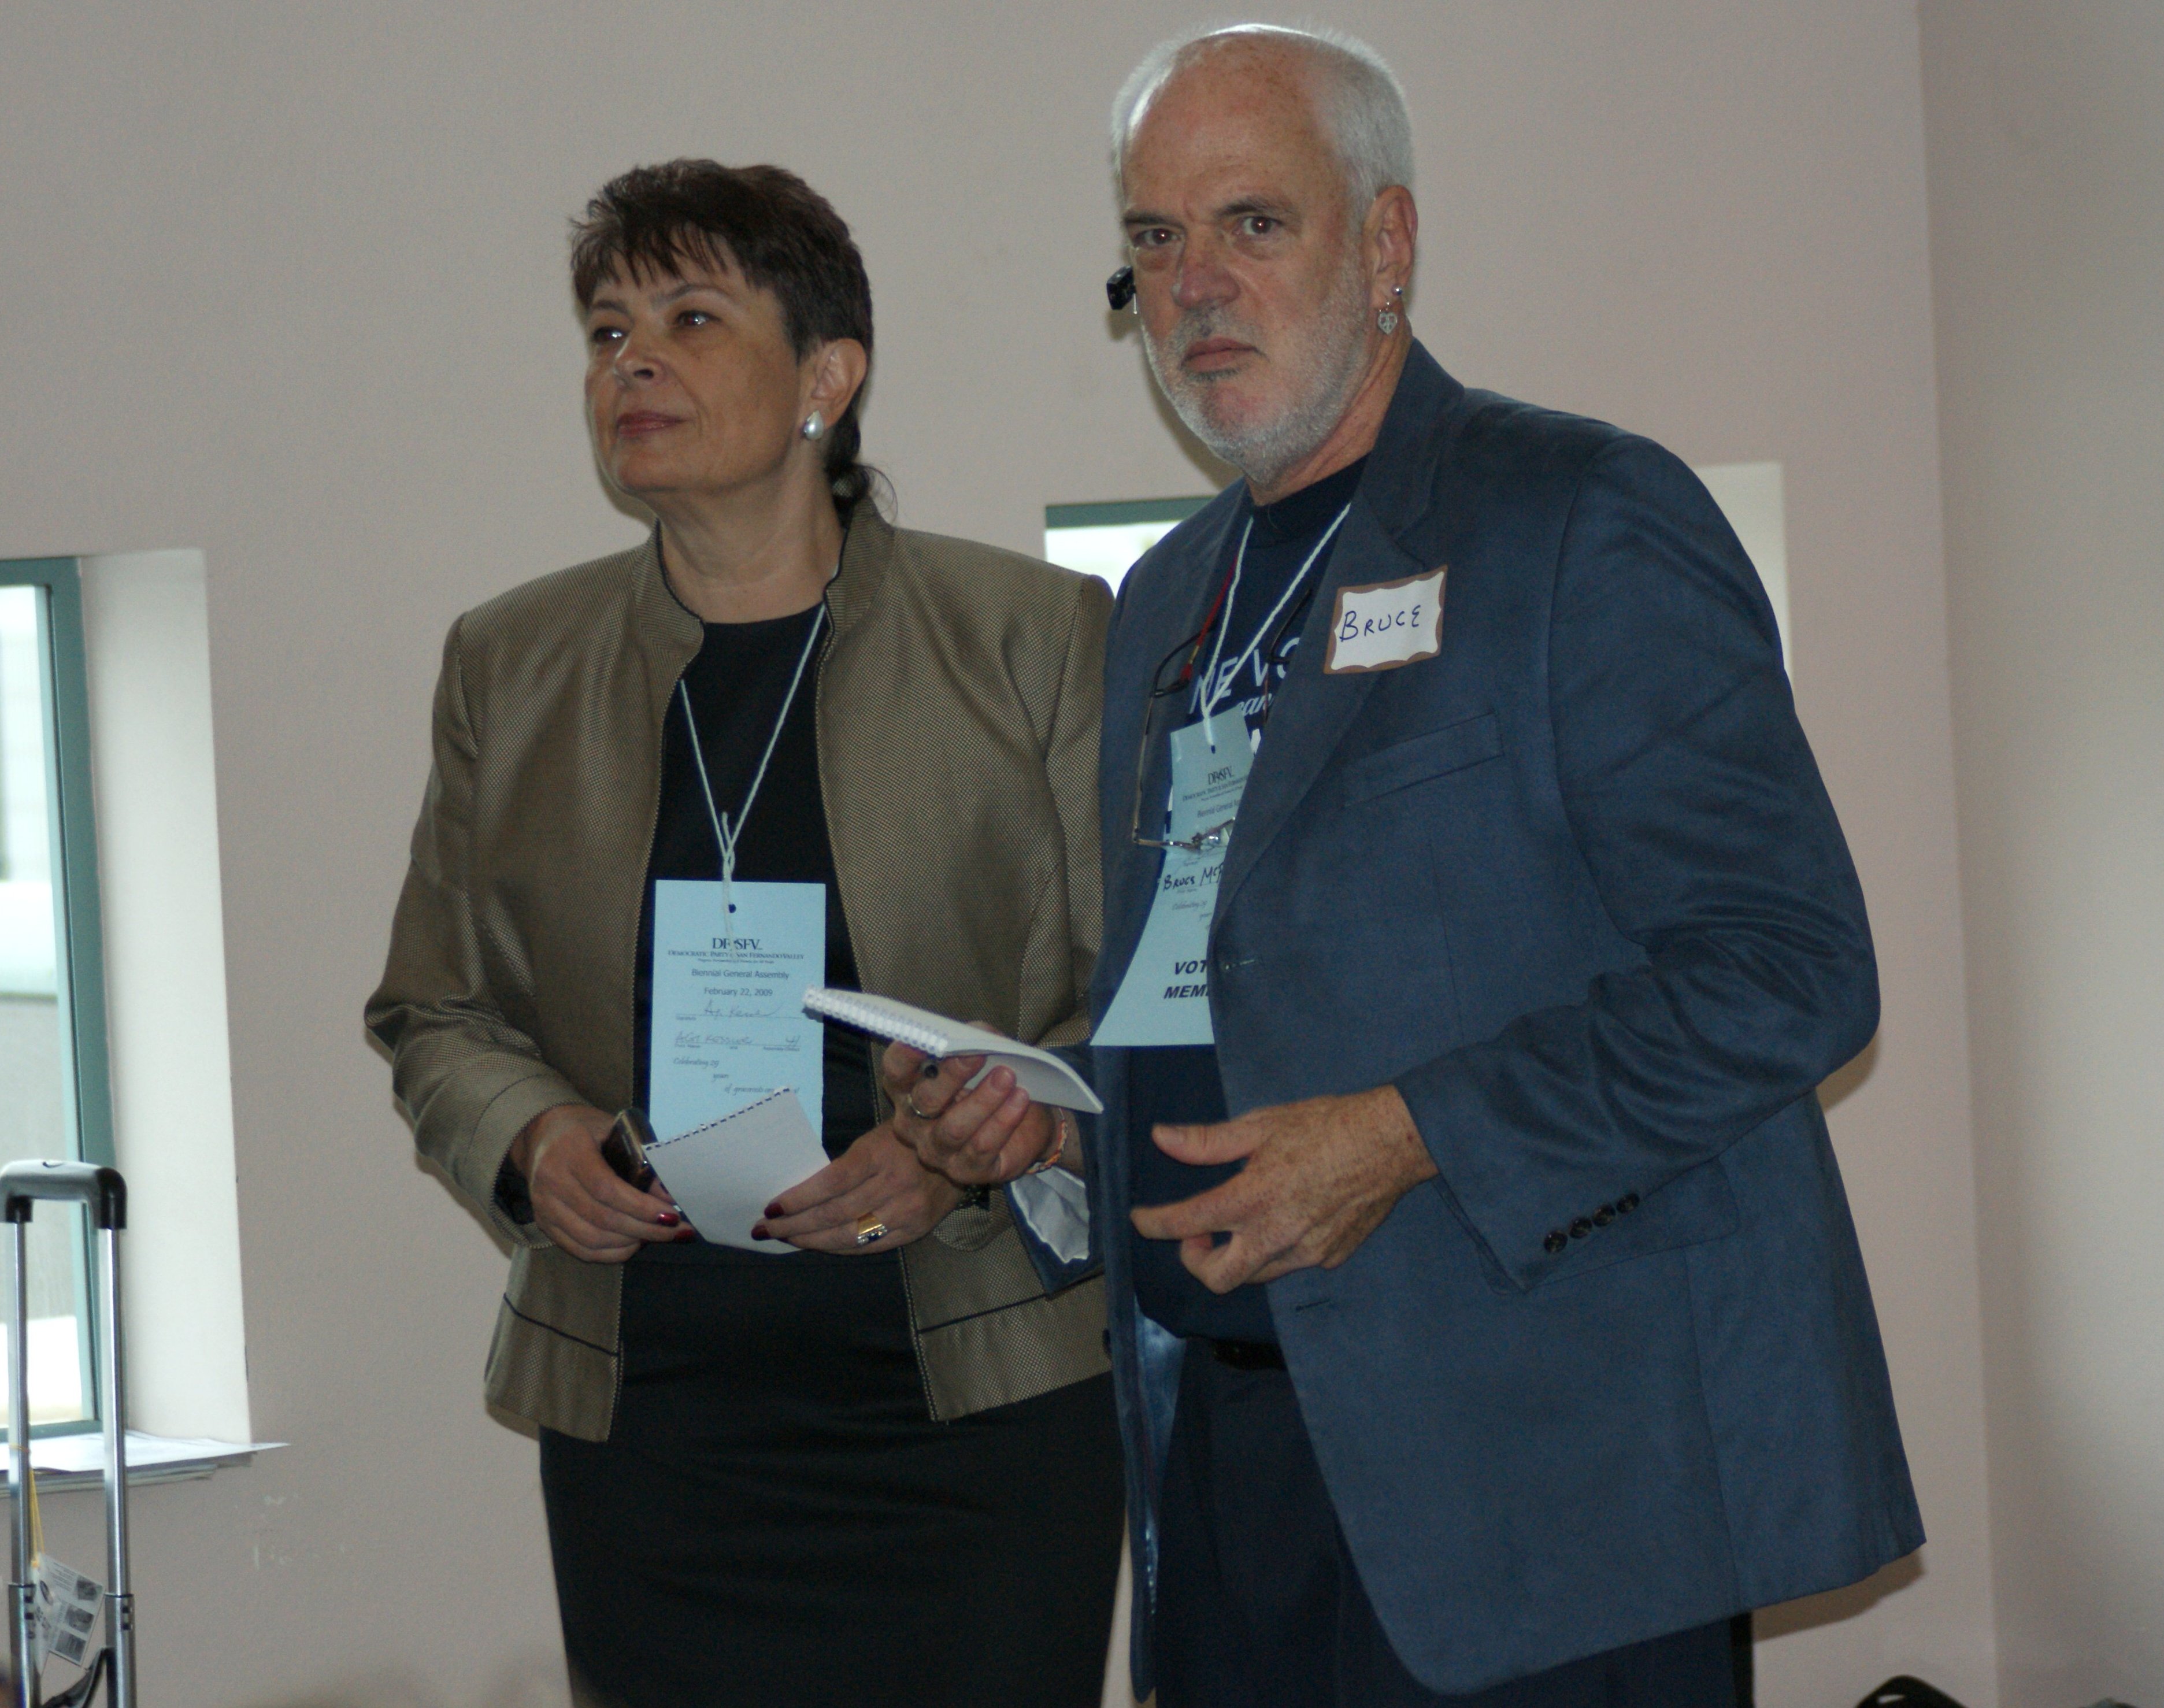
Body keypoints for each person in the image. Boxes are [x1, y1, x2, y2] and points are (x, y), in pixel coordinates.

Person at [895, 25, 1922, 1708]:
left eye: (1251, 223)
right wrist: (1058, 1116)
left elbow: (1790, 969)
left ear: (1387, 243)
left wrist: (1403, 1136)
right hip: (1229, 1471)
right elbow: (1217, 983)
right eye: (1154, 240)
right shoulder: (1167, 599)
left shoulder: (1577, 515)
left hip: (1548, 1491)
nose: (1194, 287)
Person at [365, 160, 1121, 1708]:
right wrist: (531, 1138)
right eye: (606, 332)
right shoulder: (512, 664)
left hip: (976, 1403)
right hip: (656, 1424)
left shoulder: (1030, 639)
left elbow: (1138, 1005)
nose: (630, 364)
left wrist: (973, 1144)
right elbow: (434, 1011)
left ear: (826, 378)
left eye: (690, 319)